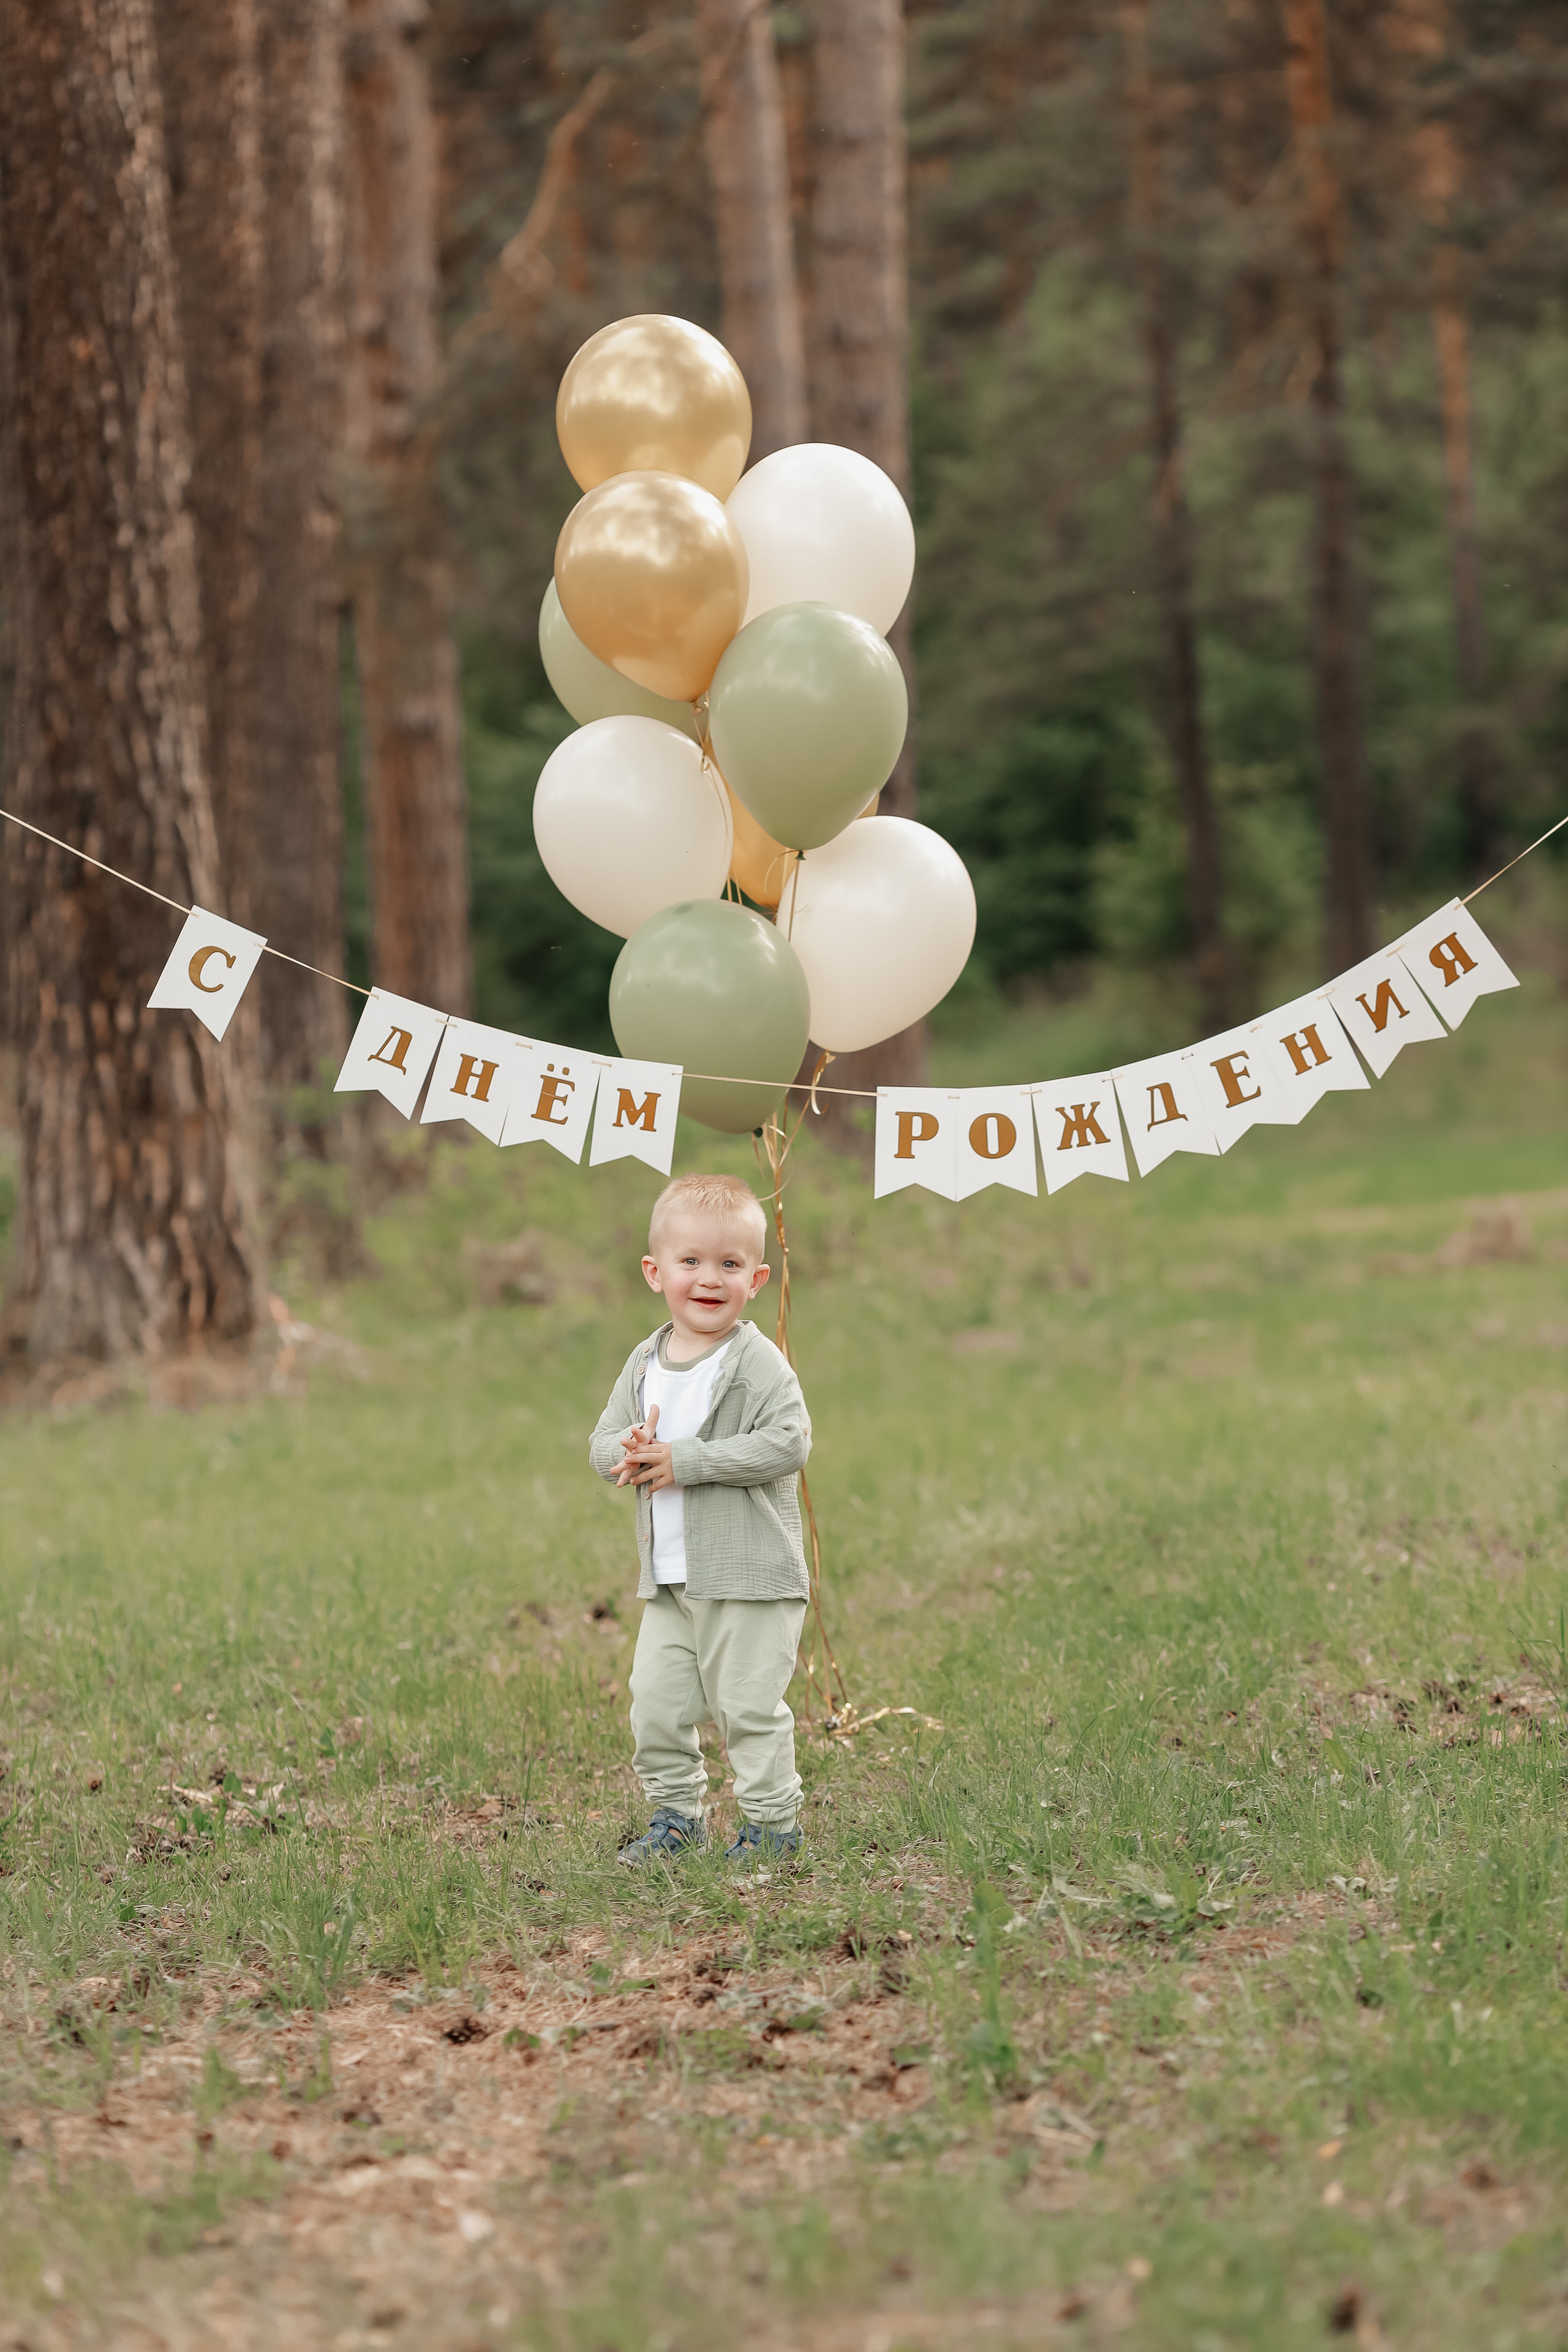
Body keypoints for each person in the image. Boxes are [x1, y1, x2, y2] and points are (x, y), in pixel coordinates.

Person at [589, 1170, 811, 1871]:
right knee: (654, 1706)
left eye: (729, 1264)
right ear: (656, 1272)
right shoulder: (645, 1361)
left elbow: (789, 1444)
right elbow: (600, 1443)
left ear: (756, 1277)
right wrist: (623, 1450)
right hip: (670, 1580)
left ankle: (774, 1828)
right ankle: (676, 1818)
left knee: (746, 1709)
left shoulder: (756, 1362)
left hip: (749, 1575)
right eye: (690, 1262)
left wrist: (689, 1461)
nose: (708, 1278)